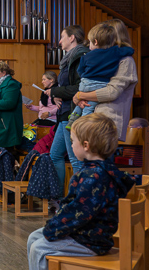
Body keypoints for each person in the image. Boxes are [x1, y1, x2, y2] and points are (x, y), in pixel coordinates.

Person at [27, 113, 135, 270]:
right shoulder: (97, 170)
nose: (71, 146)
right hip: (88, 233)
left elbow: (78, 213)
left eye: (73, 141)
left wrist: (53, 229)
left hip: (90, 240)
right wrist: (53, 227)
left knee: (39, 248)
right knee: (34, 237)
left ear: (86, 145)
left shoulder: (93, 177)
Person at [72, 19, 138, 142]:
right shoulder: (106, 59)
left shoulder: (126, 60)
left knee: (100, 161)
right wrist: (82, 100)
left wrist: (81, 95)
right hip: (95, 121)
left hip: (108, 122)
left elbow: (111, 92)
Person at [44, 25, 89, 204]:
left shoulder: (79, 57)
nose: (59, 41)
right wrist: (56, 94)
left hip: (73, 114)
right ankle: (59, 198)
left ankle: (78, 202)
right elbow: (64, 88)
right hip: (64, 114)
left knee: (76, 160)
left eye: (62, 37)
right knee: (55, 155)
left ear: (72, 38)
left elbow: (79, 88)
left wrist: (56, 92)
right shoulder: (67, 59)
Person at [0, 61, 23, 160]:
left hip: (7, 124)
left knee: (7, 155)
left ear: (4, 73)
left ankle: (10, 175)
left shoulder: (11, 84)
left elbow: (9, 103)